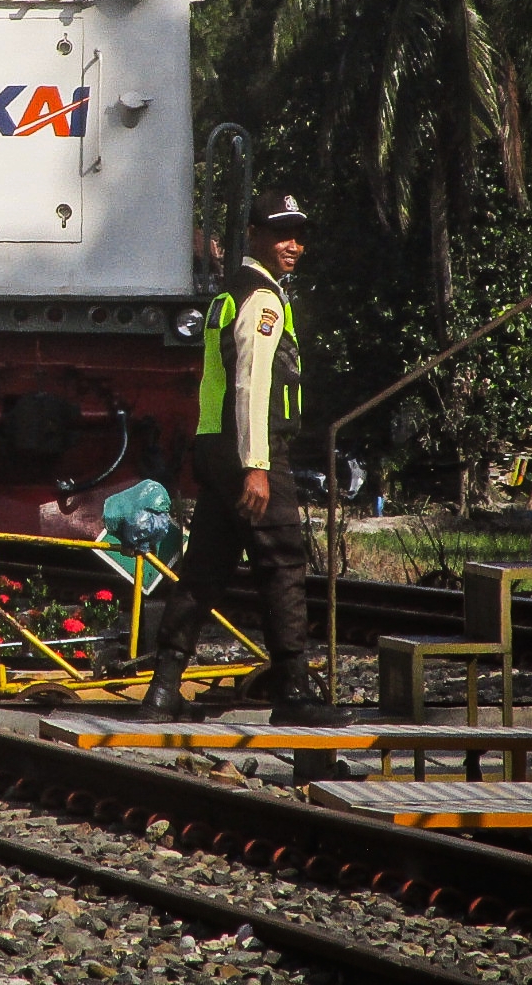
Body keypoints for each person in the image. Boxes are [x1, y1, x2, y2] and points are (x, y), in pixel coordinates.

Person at [140, 192, 347, 725]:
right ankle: (294, 694)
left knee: (204, 570)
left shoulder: (226, 294)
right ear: (254, 235)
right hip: (254, 453)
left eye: (299, 235)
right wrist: (255, 463)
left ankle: (163, 690)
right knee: (283, 564)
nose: (293, 246)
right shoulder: (263, 300)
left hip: (216, 448)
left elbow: (214, 384)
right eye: (281, 234)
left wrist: (213, 454)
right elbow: (253, 384)